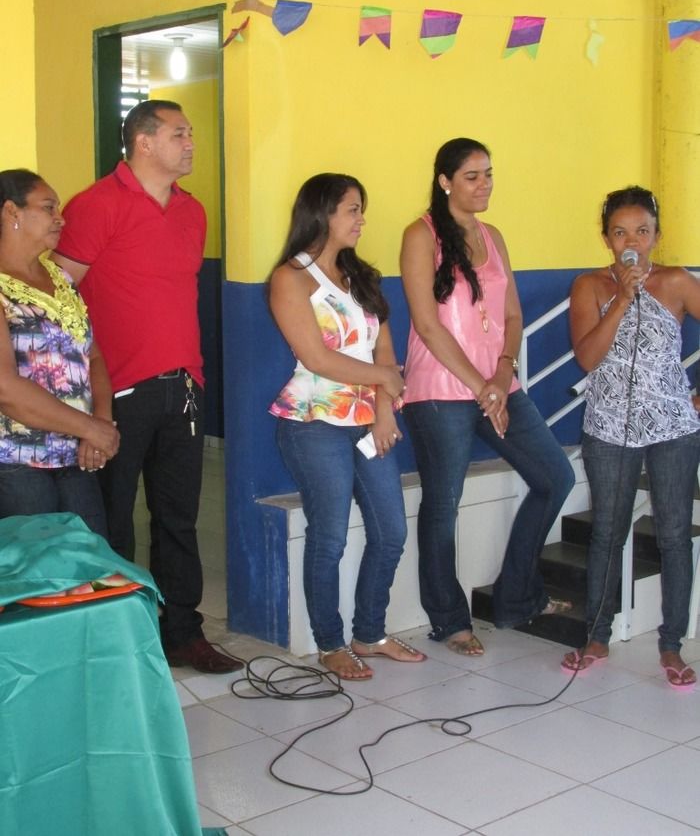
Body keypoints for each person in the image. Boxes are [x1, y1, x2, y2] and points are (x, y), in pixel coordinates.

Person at [52, 100, 242, 674]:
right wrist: (81, 396)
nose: (190, 143)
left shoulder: (192, 212)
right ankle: (119, 636)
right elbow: (60, 300)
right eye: (179, 134)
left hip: (182, 386)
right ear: (143, 141)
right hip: (115, 392)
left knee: (177, 518)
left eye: (190, 133)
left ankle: (182, 631)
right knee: (112, 520)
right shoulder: (95, 206)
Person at [400, 138, 575, 655]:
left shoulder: (493, 235)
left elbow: (513, 317)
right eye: (473, 176)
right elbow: (428, 326)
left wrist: (501, 376)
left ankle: (516, 595)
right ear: (445, 181)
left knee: (555, 476)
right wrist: (481, 388)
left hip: (499, 387)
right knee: (443, 504)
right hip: (439, 392)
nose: (485, 185)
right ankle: (449, 620)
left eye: (489, 174)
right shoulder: (420, 236)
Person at [269, 173, 426, 680]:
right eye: (351, 209)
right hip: (315, 422)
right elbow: (318, 358)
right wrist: (386, 379)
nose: (361, 220)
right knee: (330, 537)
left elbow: (384, 349)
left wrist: (383, 409)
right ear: (321, 214)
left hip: (368, 422)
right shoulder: (290, 279)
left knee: (392, 531)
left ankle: (370, 633)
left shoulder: (363, 276)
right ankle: (330, 643)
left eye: (362, 209)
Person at [562, 186, 700, 687]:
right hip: (608, 427)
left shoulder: (680, 282)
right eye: (621, 232)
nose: (633, 242)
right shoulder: (589, 287)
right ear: (606, 238)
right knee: (607, 530)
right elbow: (587, 358)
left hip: (673, 429)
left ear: (657, 236)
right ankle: (596, 635)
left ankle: (671, 645)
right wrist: (622, 297)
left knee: (673, 536)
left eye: (642, 231)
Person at [0, 169, 119, 535]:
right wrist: (91, 428)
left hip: (76, 456)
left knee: (88, 569)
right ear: (11, 212)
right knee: (37, 580)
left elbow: (93, 356)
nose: (60, 217)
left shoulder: (60, 279)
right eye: (48, 207)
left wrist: (101, 421)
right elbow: (5, 388)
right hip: (18, 463)